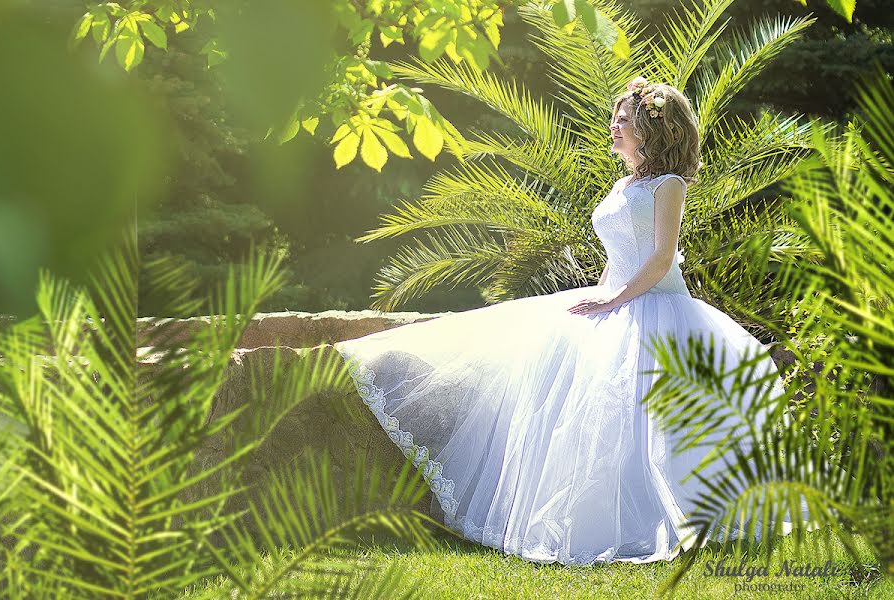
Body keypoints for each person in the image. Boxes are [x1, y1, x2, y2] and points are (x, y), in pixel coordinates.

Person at [332, 76, 787, 565]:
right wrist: (600, 298)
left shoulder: (668, 185)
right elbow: (620, 252)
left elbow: (660, 258)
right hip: (615, 299)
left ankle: (678, 515)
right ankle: (598, 516)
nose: (614, 126)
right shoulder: (624, 184)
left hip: (658, 307)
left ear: (652, 130)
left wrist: (615, 301)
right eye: (614, 117)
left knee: (656, 425)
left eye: (623, 119)